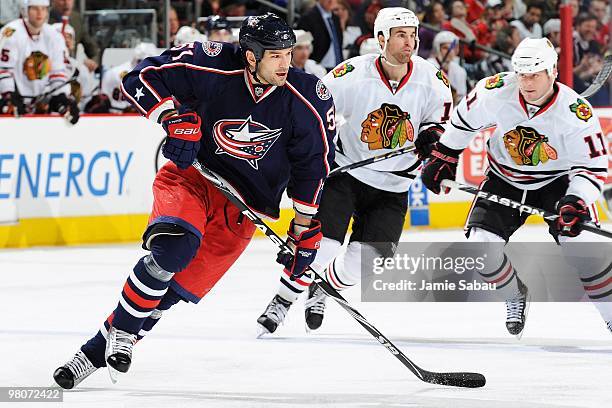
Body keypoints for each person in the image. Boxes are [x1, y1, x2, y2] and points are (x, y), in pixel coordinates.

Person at [52, 12, 335, 389]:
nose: (286, 63)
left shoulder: (306, 98)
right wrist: (173, 116)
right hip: (193, 179)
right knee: (173, 250)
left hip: (243, 212)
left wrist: (304, 226)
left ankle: (92, 352)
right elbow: (140, 77)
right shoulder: (211, 62)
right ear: (250, 56)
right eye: (275, 55)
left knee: (168, 294)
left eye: (288, 53)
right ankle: (121, 335)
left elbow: (311, 166)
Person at [257, 7, 453, 334]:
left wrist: (432, 136)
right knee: (322, 247)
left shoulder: (431, 79)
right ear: (381, 39)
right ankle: (282, 301)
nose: (411, 42)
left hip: (394, 186)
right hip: (344, 173)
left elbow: (441, 122)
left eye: (413, 34)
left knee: (367, 264)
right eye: (401, 34)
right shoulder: (351, 74)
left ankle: (321, 287)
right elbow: (314, 113)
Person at [419, 37, 611, 337]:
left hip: (556, 183)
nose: (526, 81)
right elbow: (463, 121)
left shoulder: (576, 113)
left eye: (534, 74)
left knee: (586, 252)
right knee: (481, 249)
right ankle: (514, 294)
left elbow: (593, 168)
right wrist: (445, 154)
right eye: (521, 74)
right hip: (503, 179)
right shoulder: (494, 91)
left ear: (552, 72)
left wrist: (576, 200)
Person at [0, 0, 78, 123]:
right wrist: (9, 95)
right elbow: (3, 70)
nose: (40, 13)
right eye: (35, 8)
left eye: (44, 9)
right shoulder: (10, 33)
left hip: (40, 101)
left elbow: (58, 73)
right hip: (12, 100)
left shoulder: (54, 36)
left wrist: (61, 96)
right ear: (25, 10)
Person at [94, 42, 158, 113]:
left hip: (117, 114)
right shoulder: (115, 73)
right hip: (118, 114)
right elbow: (103, 99)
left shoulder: (113, 72)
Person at [48, 0, 99, 72]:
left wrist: (93, 61)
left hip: (71, 71)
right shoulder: (43, 19)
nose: (66, 3)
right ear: (53, 1)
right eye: (62, 0)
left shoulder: (77, 19)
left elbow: (92, 47)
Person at [297, 0, 344, 70]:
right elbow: (303, 44)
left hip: (338, 68)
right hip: (317, 69)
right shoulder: (307, 18)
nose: (331, 1)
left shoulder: (335, 18)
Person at [427, 30, 467, 104]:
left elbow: (461, 98)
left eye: (452, 48)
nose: (450, 51)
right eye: (445, 48)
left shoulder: (460, 71)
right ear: (438, 48)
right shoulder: (428, 65)